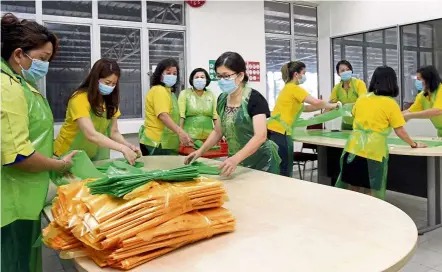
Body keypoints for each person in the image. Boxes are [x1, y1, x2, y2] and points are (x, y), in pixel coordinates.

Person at [1, 13, 77, 272]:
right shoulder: (7, 87)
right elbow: (17, 157)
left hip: (24, 195)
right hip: (11, 204)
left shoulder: (21, 83)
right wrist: (58, 166)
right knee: (14, 263)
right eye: (43, 59)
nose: (45, 66)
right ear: (19, 54)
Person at [335, 66, 427, 199]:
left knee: (353, 187)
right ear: (392, 82)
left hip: (353, 149)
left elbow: (354, 116)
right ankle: (369, 217)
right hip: (374, 153)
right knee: (371, 191)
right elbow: (400, 130)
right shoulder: (390, 104)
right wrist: (414, 144)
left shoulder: (362, 99)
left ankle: (352, 215)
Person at [184, 52, 280, 176]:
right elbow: (218, 131)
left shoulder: (254, 98)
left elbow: (260, 136)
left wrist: (235, 159)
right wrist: (200, 151)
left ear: (240, 75)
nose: (222, 80)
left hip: (262, 160)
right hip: (236, 161)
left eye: (226, 76)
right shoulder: (222, 99)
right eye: (219, 76)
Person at [54, 59, 139, 164]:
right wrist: (122, 148)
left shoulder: (109, 101)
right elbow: (90, 134)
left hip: (89, 154)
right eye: (107, 83)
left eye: (114, 84)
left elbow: (114, 132)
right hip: (67, 154)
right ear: (95, 79)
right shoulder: (79, 99)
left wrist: (128, 145)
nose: (110, 87)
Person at [268, 61, 338, 177]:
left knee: (280, 166)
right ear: (296, 74)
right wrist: (334, 105)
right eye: (304, 73)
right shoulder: (295, 88)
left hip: (275, 131)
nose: (304, 76)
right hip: (281, 132)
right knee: (284, 168)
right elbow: (316, 102)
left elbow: (305, 108)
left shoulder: (287, 89)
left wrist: (329, 106)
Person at [139, 58, 193, 155]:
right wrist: (180, 132)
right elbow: (163, 115)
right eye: (168, 73)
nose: (172, 76)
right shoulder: (159, 90)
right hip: (157, 141)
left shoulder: (170, 93)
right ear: (160, 75)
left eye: (174, 73)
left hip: (166, 141)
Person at [178, 68, 219, 140]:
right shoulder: (184, 93)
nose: (199, 79)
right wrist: (180, 133)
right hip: (189, 137)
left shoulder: (211, 94)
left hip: (209, 138)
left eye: (202, 77)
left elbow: (215, 116)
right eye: (196, 77)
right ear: (192, 80)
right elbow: (181, 116)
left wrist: (219, 133)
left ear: (206, 80)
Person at [403, 65, 442, 137]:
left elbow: (437, 111)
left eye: (419, 79)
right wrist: (392, 117)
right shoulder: (422, 95)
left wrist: (409, 116)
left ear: (429, 79)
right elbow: (410, 111)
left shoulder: (441, 90)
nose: (417, 82)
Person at [329, 60, 367, 130]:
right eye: (342, 70)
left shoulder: (359, 84)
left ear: (351, 71)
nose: (346, 72)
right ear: (338, 73)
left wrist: (345, 105)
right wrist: (320, 116)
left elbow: (363, 102)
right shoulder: (337, 88)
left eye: (348, 69)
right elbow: (331, 105)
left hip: (360, 123)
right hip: (346, 123)